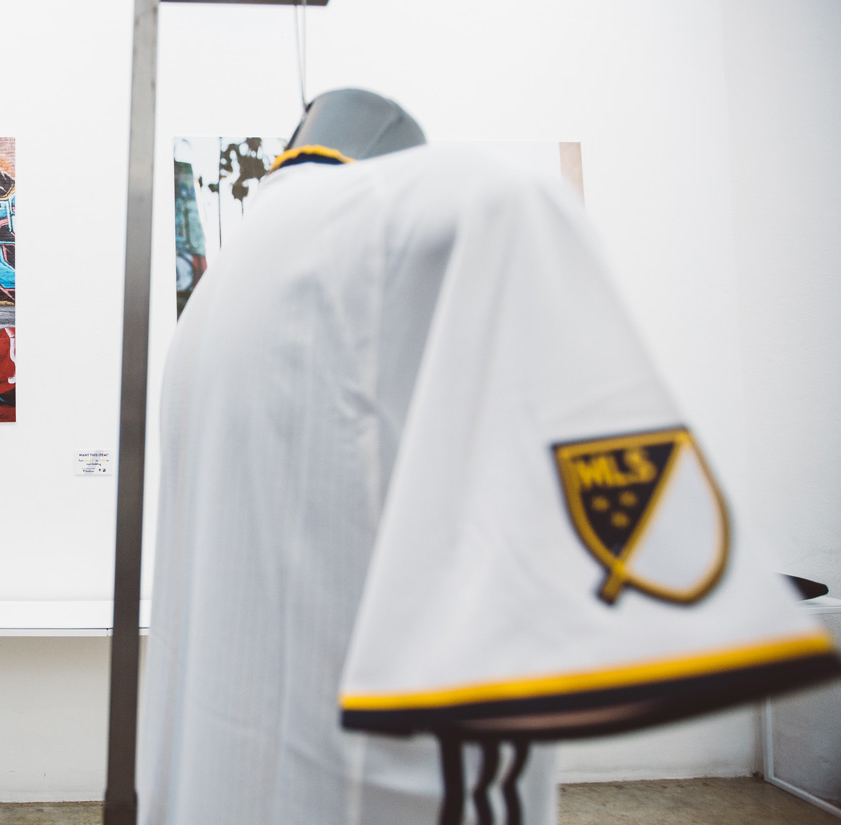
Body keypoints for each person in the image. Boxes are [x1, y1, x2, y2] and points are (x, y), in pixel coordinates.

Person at [136, 89, 838, 825]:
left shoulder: (222, 283)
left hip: (226, 769)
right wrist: (693, 570)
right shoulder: (465, 199)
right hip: (375, 769)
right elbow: (626, 540)